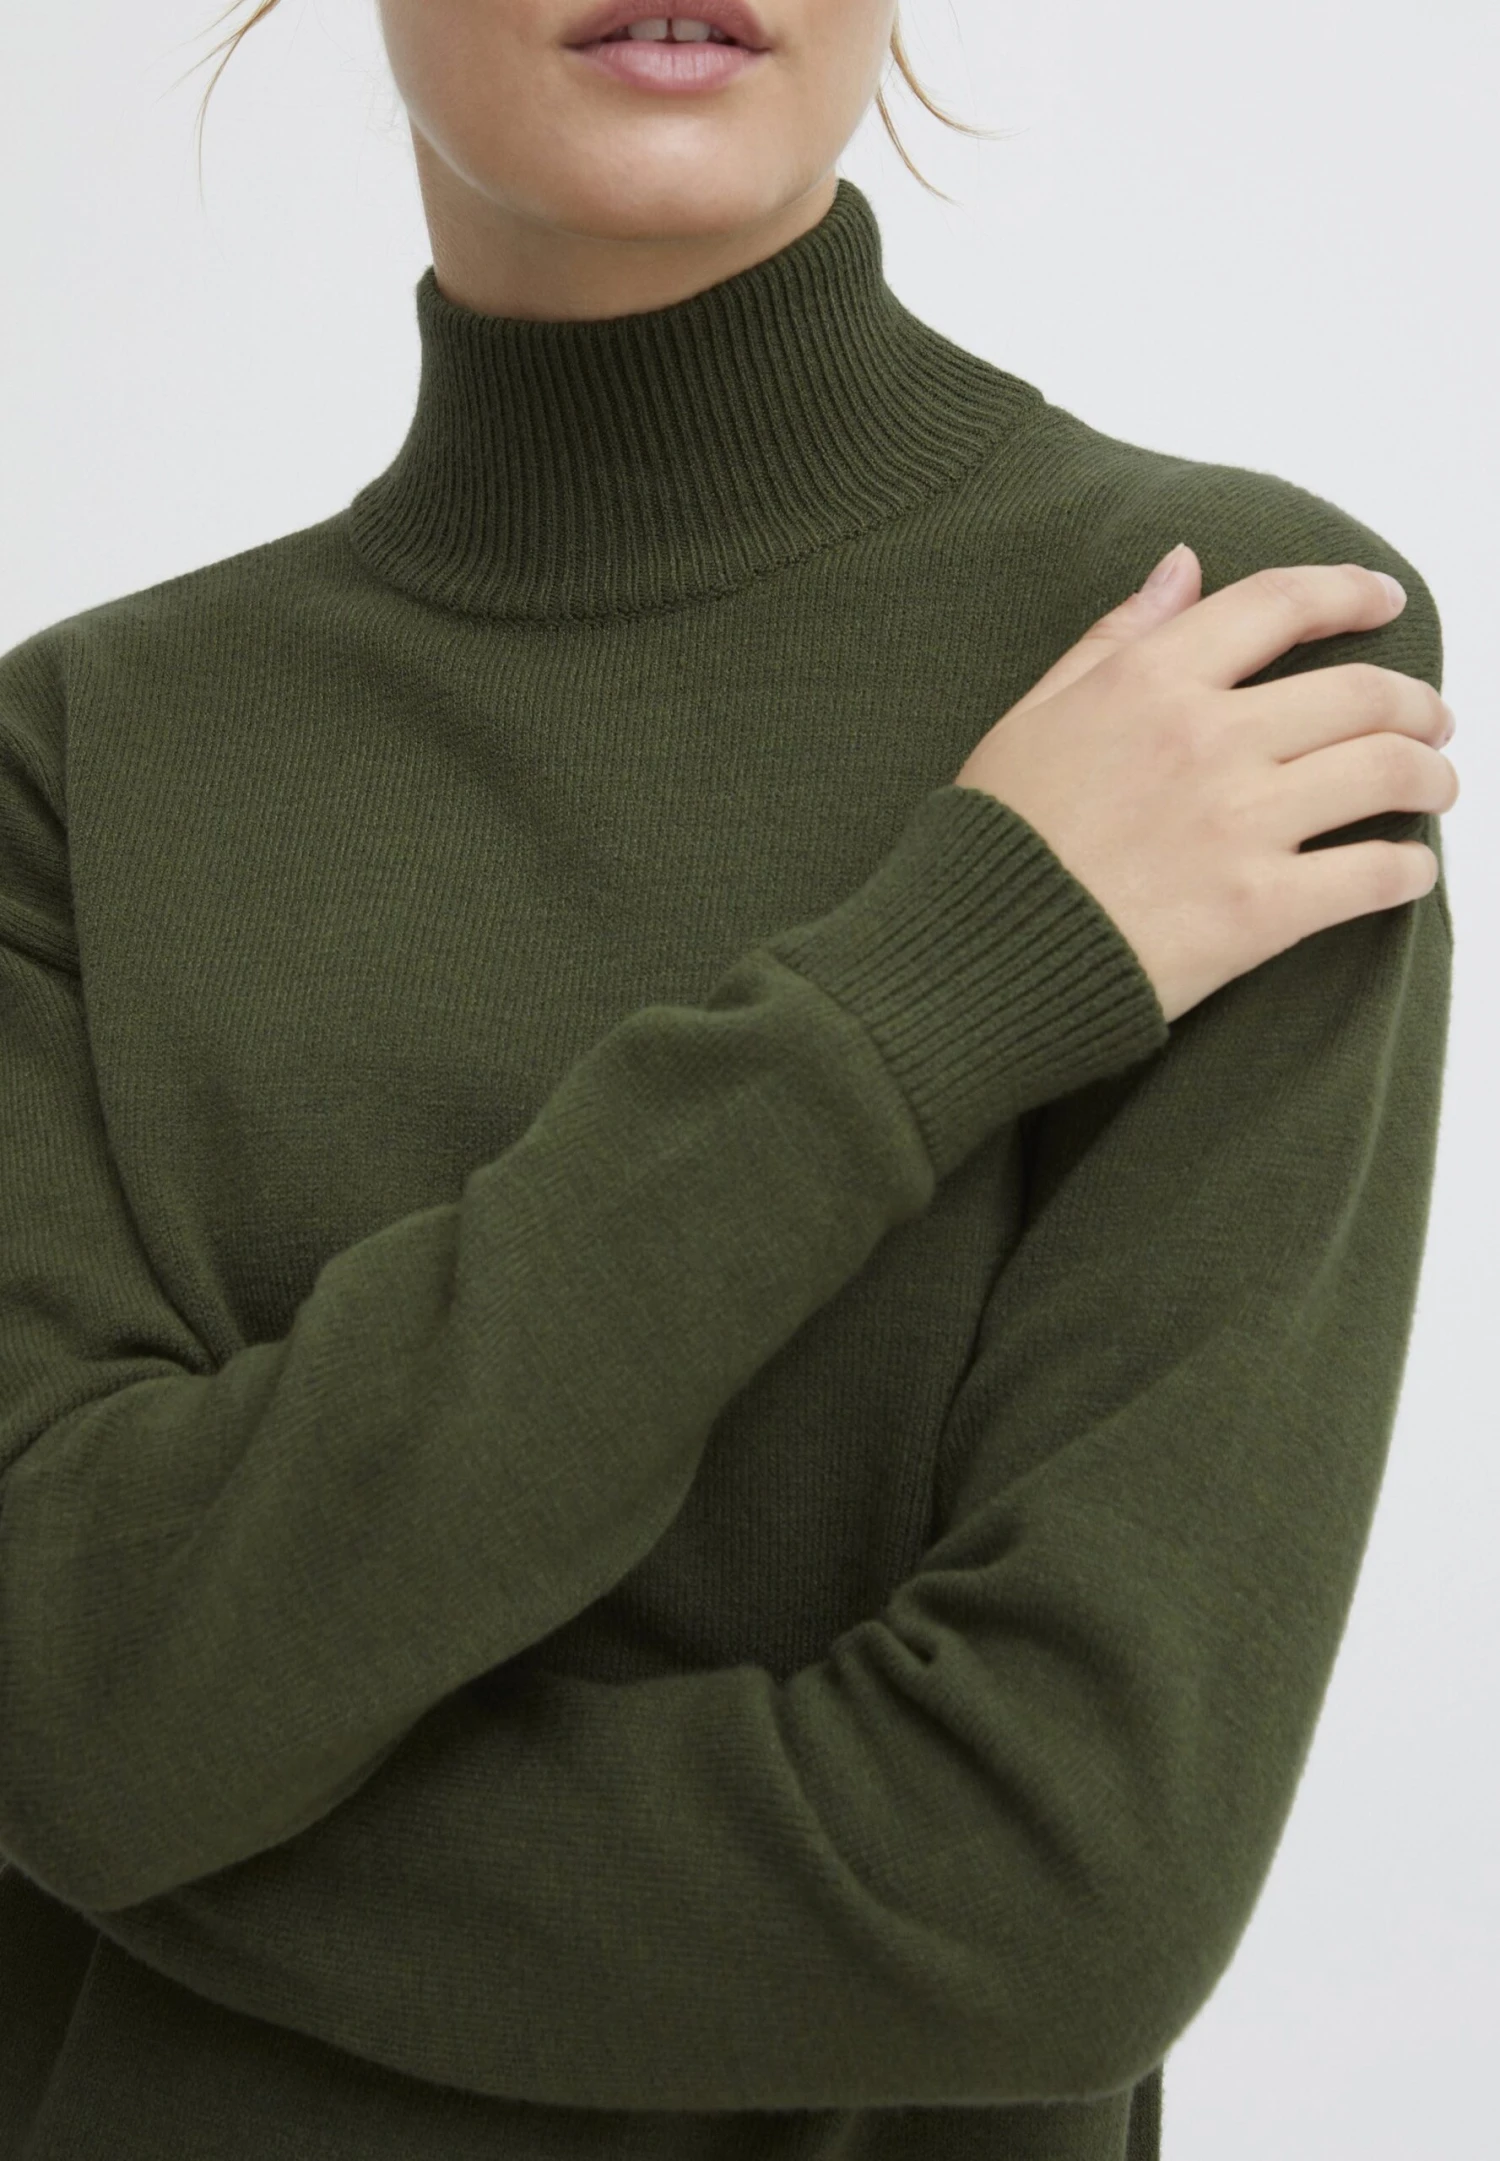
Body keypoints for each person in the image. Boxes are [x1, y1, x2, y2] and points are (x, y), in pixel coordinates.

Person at [0, 6, 1459, 2159]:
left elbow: (1043, 1899)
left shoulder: (1216, 676)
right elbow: (72, 1700)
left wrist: (129, 1790)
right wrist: (937, 986)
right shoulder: (77, 768)